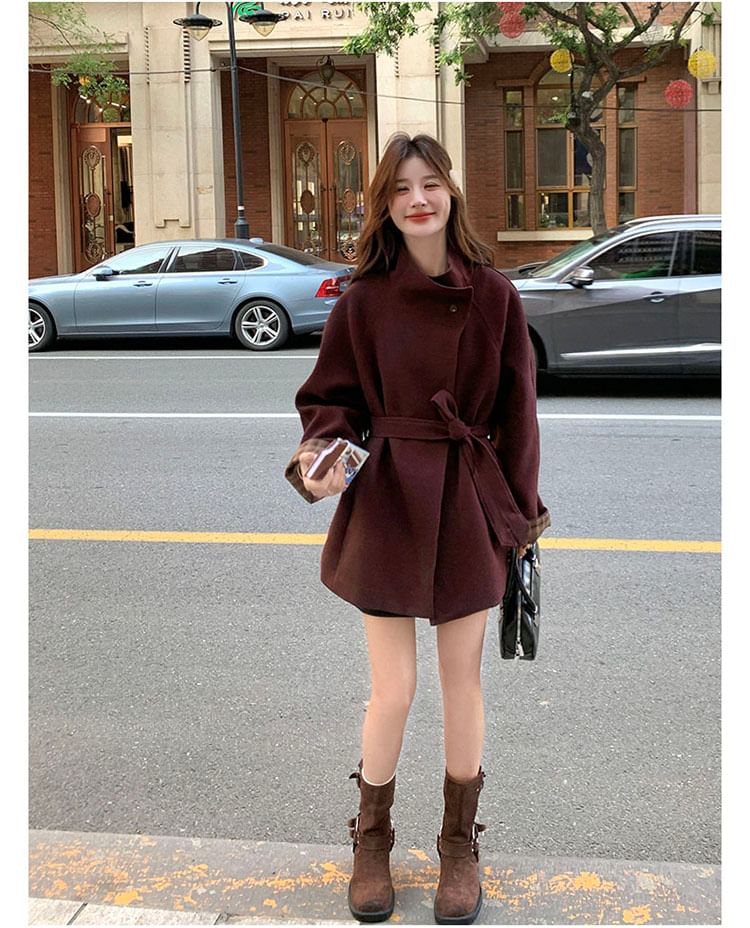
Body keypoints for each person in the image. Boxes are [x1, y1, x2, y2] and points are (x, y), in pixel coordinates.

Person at [284, 132, 550, 924]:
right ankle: (371, 840)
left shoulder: (496, 296)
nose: (418, 200)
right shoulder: (362, 300)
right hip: (389, 498)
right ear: (385, 205)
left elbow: (518, 417)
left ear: (450, 192)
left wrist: (520, 520)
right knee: (393, 688)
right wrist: (321, 458)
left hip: (468, 497)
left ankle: (458, 844)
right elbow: (330, 402)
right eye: (400, 189)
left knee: (462, 682)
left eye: (429, 183)